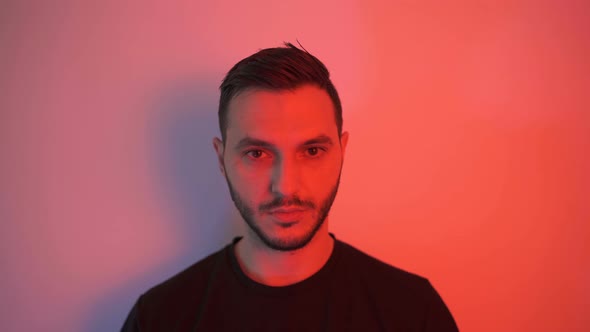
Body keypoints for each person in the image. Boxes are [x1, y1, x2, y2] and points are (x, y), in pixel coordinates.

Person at [121, 42, 459, 331]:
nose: (285, 186)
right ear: (221, 160)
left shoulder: (413, 312)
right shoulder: (159, 318)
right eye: (257, 153)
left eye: (312, 151)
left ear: (342, 152)